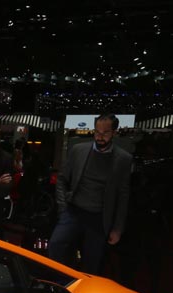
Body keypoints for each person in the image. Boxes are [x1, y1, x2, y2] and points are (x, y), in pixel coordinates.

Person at [48, 113, 132, 274]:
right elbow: (62, 179)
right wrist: (63, 209)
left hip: (99, 217)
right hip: (74, 211)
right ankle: (62, 282)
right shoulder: (78, 150)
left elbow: (123, 196)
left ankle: (85, 287)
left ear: (114, 133)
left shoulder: (123, 159)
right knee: (56, 245)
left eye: (105, 133)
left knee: (93, 262)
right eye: (97, 132)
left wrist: (117, 229)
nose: (100, 137)